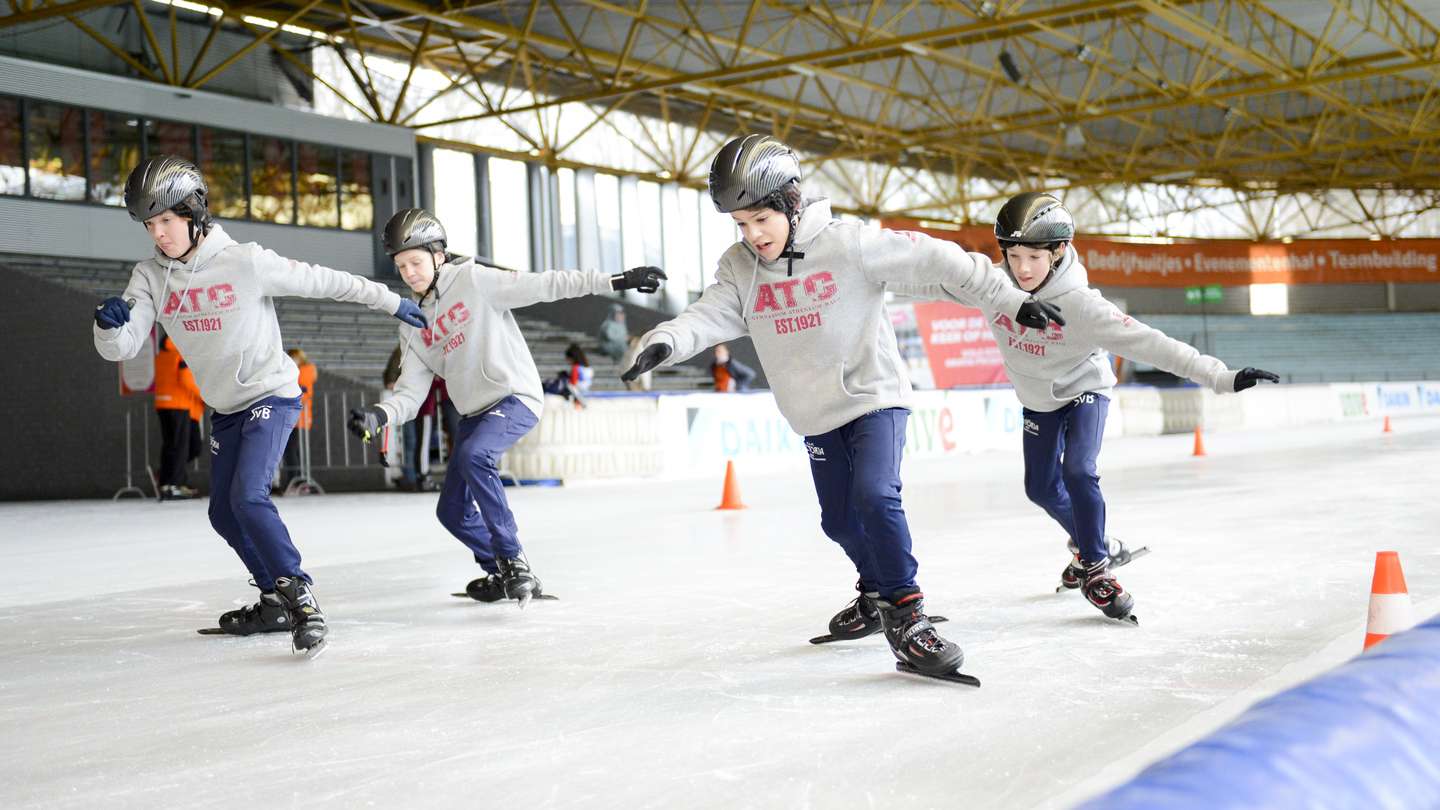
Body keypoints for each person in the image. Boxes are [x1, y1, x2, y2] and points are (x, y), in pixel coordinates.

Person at [622, 134, 1063, 680]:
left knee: (876, 497)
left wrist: (1014, 300)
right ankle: (874, 591)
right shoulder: (739, 268)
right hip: (814, 412)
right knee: (839, 522)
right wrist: (664, 341)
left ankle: (907, 614)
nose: (752, 235)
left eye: (761, 218)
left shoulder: (849, 244)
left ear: (789, 203)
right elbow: (711, 314)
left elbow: (941, 260)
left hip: (874, 398)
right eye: (740, 224)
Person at [92, 155, 427, 655]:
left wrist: (391, 301)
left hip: (272, 394)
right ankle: (272, 600)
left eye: (166, 220)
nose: (158, 233)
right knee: (224, 515)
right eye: (149, 225)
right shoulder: (149, 278)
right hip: (225, 409)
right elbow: (120, 347)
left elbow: (326, 280)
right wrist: (108, 325)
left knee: (248, 497)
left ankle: (300, 596)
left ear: (193, 212)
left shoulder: (245, 261)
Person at [926, 192, 1278, 623]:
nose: (1022, 268)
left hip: (1084, 389)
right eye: (1013, 255)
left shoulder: (1082, 305)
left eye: (1034, 256)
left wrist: (1220, 377)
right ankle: (1096, 543)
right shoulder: (995, 287)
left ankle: (1095, 569)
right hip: (1038, 400)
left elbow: (1151, 344)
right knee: (1039, 487)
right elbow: (932, 281)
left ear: (1058, 252)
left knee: (1078, 470)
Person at [347, 209, 666, 606]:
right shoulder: (412, 322)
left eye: (415, 262)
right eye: (401, 266)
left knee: (473, 453)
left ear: (438, 255)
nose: (409, 273)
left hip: (514, 397)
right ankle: (498, 570)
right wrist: (381, 415)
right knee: (451, 512)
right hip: (474, 414)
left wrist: (615, 280)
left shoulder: (474, 280)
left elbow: (546, 284)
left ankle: (513, 561)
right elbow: (411, 392)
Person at [153, 333, 200, 500]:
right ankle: (177, 484)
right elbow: (186, 379)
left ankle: (166, 481)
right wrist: (204, 395)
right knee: (180, 446)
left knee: (169, 445)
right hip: (179, 405)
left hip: (162, 404)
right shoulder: (180, 355)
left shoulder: (160, 357)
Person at [279, 348, 316, 492]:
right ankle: (297, 480)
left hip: (297, 417)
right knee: (293, 450)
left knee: (291, 450)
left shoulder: (303, 372)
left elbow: (302, 393)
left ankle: (296, 481)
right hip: (296, 416)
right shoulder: (303, 371)